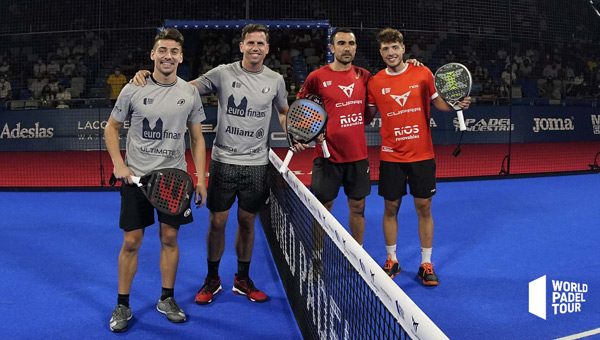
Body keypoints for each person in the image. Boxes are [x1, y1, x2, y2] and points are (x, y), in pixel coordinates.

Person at [132, 23, 291, 305]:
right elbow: (185, 88)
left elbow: (283, 111)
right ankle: (213, 278)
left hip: (256, 164)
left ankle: (242, 279)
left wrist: (292, 133)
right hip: (223, 161)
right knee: (217, 223)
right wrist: (151, 76)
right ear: (241, 46)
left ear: (267, 48)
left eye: (261, 44)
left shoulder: (276, 80)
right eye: (250, 43)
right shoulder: (222, 73)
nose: (255, 48)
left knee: (247, 222)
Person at [104, 28, 207, 333]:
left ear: (181, 57)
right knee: (132, 242)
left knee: (170, 239)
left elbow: (197, 139)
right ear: (153, 55)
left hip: (174, 180)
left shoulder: (189, 93)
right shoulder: (132, 89)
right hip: (136, 178)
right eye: (162, 50)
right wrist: (118, 164)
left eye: (174, 51)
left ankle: (167, 298)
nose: (168, 56)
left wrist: (200, 179)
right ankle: (122, 303)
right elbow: (111, 128)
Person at [366, 28, 471, 285]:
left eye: (395, 47)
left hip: (422, 155)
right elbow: (367, 115)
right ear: (381, 53)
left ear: (403, 49)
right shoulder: (375, 82)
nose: (391, 53)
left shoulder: (422, 73)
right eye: (385, 49)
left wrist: (457, 104)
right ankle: (392, 259)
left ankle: (426, 263)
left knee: (424, 207)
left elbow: (440, 105)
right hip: (391, 155)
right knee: (391, 207)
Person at [295, 28, 372, 246]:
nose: (347, 48)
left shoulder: (364, 76)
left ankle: (358, 257)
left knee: (358, 207)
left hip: (358, 156)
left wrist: (411, 63)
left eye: (351, 43)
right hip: (326, 156)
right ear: (332, 48)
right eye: (341, 43)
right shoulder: (316, 77)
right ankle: (317, 257)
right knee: (323, 208)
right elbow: (301, 107)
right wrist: (310, 132)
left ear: (356, 47)